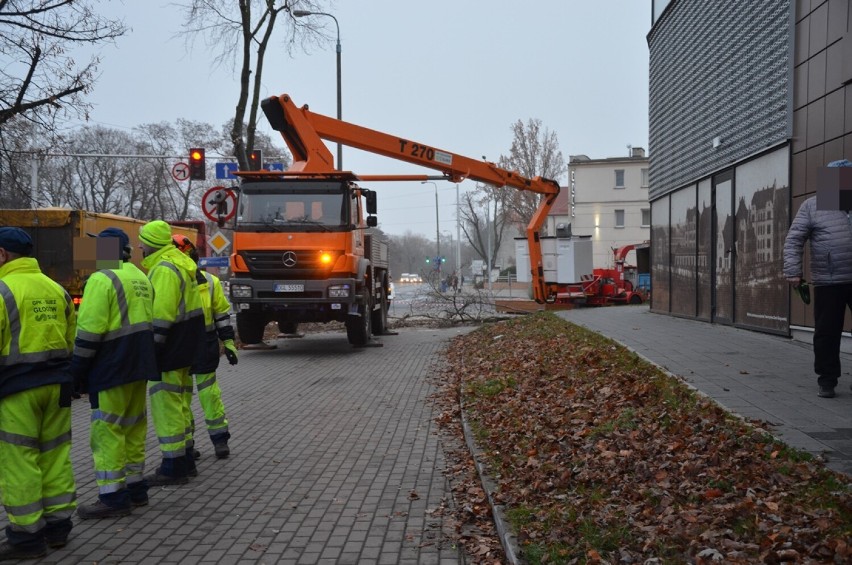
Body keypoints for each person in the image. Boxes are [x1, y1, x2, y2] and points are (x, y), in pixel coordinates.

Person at [0, 227, 77, 559]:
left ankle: (27, 537)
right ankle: (58, 527)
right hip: (57, 386)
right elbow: (71, 336)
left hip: (17, 389)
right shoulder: (56, 288)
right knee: (55, 456)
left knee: (20, 460)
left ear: (2, 255)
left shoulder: (3, 290)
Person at [71, 228, 158, 519]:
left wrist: (76, 373)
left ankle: (112, 497)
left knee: (108, 431)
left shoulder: (101, 278)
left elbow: (89, 333)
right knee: (134, 427)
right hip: (140, 363)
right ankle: (136, 489)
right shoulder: (139, 276)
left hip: (111, 365)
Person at [138, 221, 205, 485]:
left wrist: (151, 350)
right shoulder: (179, 263)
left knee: (166, 407)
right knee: (178, 404)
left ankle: (173, 467)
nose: (140, 246)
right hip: (185, 344)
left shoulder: (164, 269)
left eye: (142, 241)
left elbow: (161, 316)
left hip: (169, 348)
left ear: (150, 243)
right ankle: (185, 459)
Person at [783, 158, 852, 398]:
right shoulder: (813, 206)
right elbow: (794, 239)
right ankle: (827, 379)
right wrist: (793, 271)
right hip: (829, 280)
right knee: (827, 332)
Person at [172, 235, 237, 460]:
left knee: (204, 395)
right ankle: (189, 444)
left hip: (200, 344)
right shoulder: (172, 280)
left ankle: (217, 441)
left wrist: (228, 341)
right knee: (183, 398)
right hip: (186, 345)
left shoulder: (209, 282)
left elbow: (221, 313)